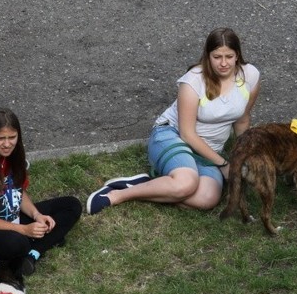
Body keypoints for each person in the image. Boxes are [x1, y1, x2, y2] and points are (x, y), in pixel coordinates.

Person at [86, 27, 260, 214]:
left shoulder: (249, 75)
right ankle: (118, 194)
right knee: (186, 184)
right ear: (208, 56)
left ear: (238, 55)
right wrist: (224, 165)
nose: (224, 63)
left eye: (229, 56)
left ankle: (158, 184)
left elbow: (242, 120)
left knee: (207, 199)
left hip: (208, 150)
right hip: (173, 135)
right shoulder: (193, 81)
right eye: (217, 57)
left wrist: (244, 157)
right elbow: (187, 134)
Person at [0, 108, 82, 275]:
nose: (7, 144)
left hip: (10, 216)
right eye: (0, 138)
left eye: (12, 137)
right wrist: (24, 230)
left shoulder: (13, 154)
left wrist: (37, 215)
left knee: (71, 205)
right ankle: (39, 243)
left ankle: (31, 255)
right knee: (18, 242)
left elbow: (18, 192)